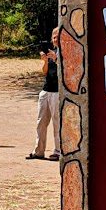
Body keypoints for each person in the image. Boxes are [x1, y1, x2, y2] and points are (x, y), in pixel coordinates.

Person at [29, 27, 60, 161]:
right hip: (46, 90)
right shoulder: (51, 53)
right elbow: (45, 72)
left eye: (57, 37)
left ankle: (58, 151)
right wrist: (46, 61)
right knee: (41, 122)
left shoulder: (65, 52)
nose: (55, 39)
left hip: (58, 92)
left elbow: (68, 69)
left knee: (57, 123)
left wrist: (56, 58)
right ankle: (39, 150)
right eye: (53, 37)